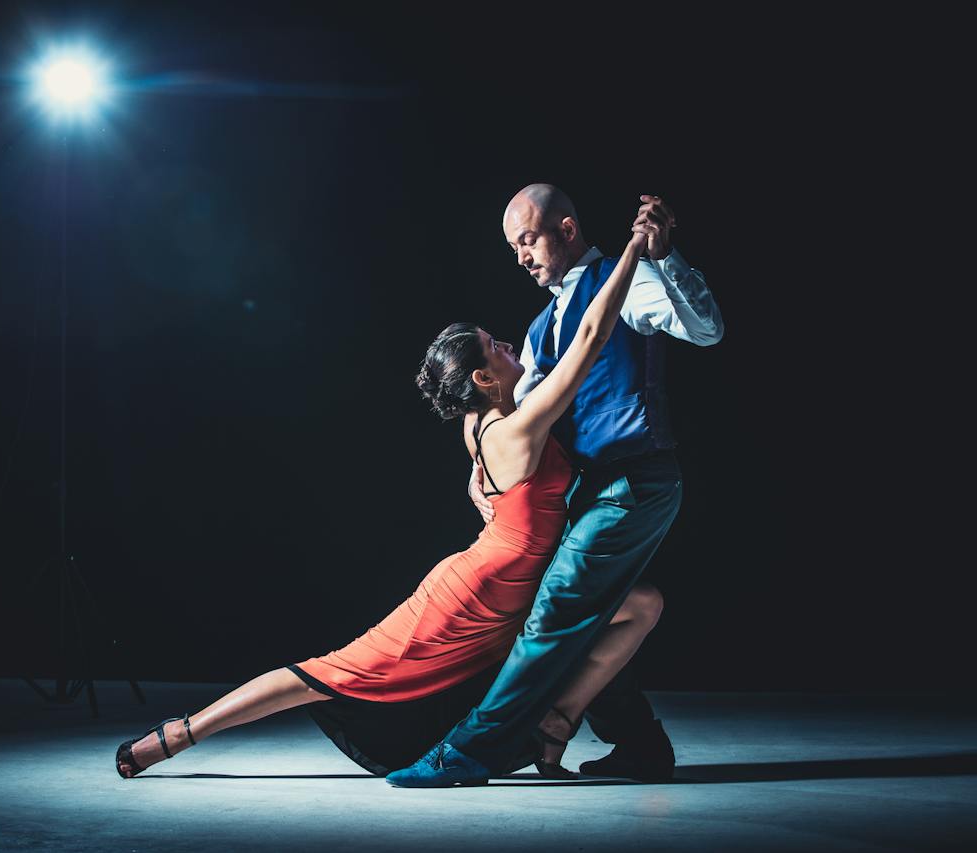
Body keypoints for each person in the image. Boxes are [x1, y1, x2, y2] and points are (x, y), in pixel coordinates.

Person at [116, 220, 659, 780]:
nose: (509, 345)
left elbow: (483, 474)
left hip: (518, 582)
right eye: (497, 347)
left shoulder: (479, 419)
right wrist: (632, 250)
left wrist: (476, 485)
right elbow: (592, 336)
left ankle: (556, 726)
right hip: (474, 596)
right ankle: (180, 733)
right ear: (483, 375)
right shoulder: (518, 430)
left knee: (642, 605)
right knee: (331, 673)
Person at [386, 186, 723, 787]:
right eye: (512, 246)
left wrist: (666, 260)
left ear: (565, 229)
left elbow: (705, 331)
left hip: (634, 478)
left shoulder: (631, 281)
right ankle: (639, 745)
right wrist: (477, 464)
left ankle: (469, 751)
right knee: (595, 613)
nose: (520, 256)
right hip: (587, 492)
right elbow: (511, 408)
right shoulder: (540, 327)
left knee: (556, 613)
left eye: (527, 240)